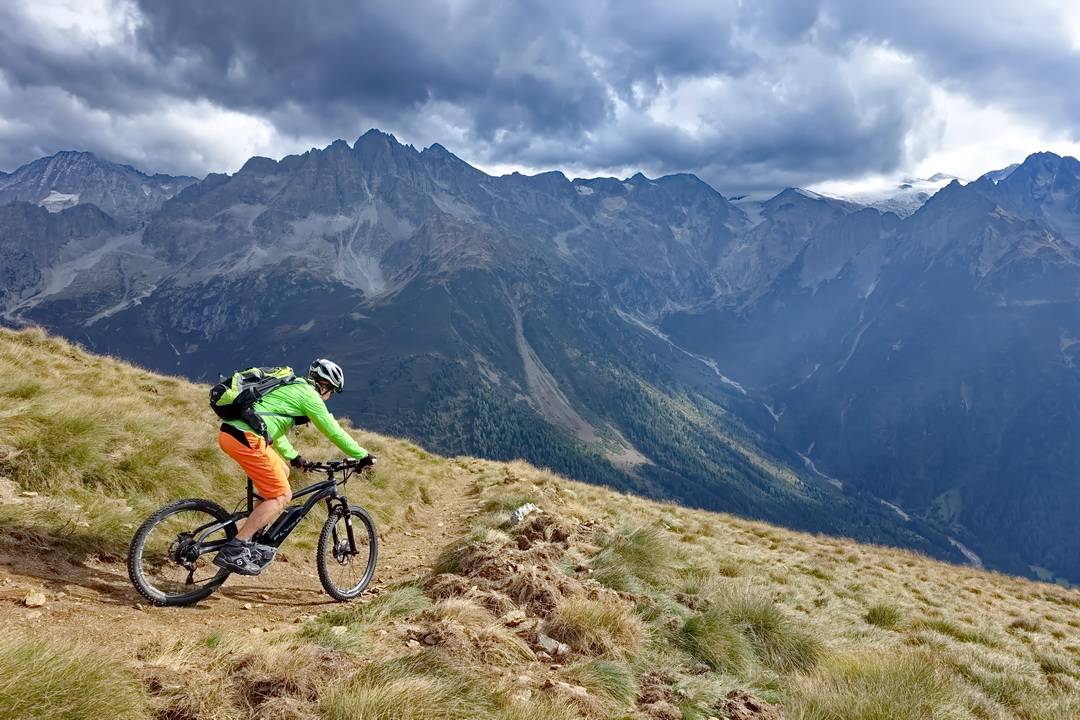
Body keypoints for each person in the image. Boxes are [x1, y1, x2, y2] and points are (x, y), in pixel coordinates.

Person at [213, 358, 373, 575]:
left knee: (284, 472)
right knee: (281, 496)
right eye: (331, 392)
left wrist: (294, 457)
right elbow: (333, 431)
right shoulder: (310, 396)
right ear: (324, 386)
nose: (329, 397)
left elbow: (272, 429)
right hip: (247, 438)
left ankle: (256, 528)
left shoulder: (291, 387)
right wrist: (362, 455)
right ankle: (236, 546)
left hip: (232, 433)